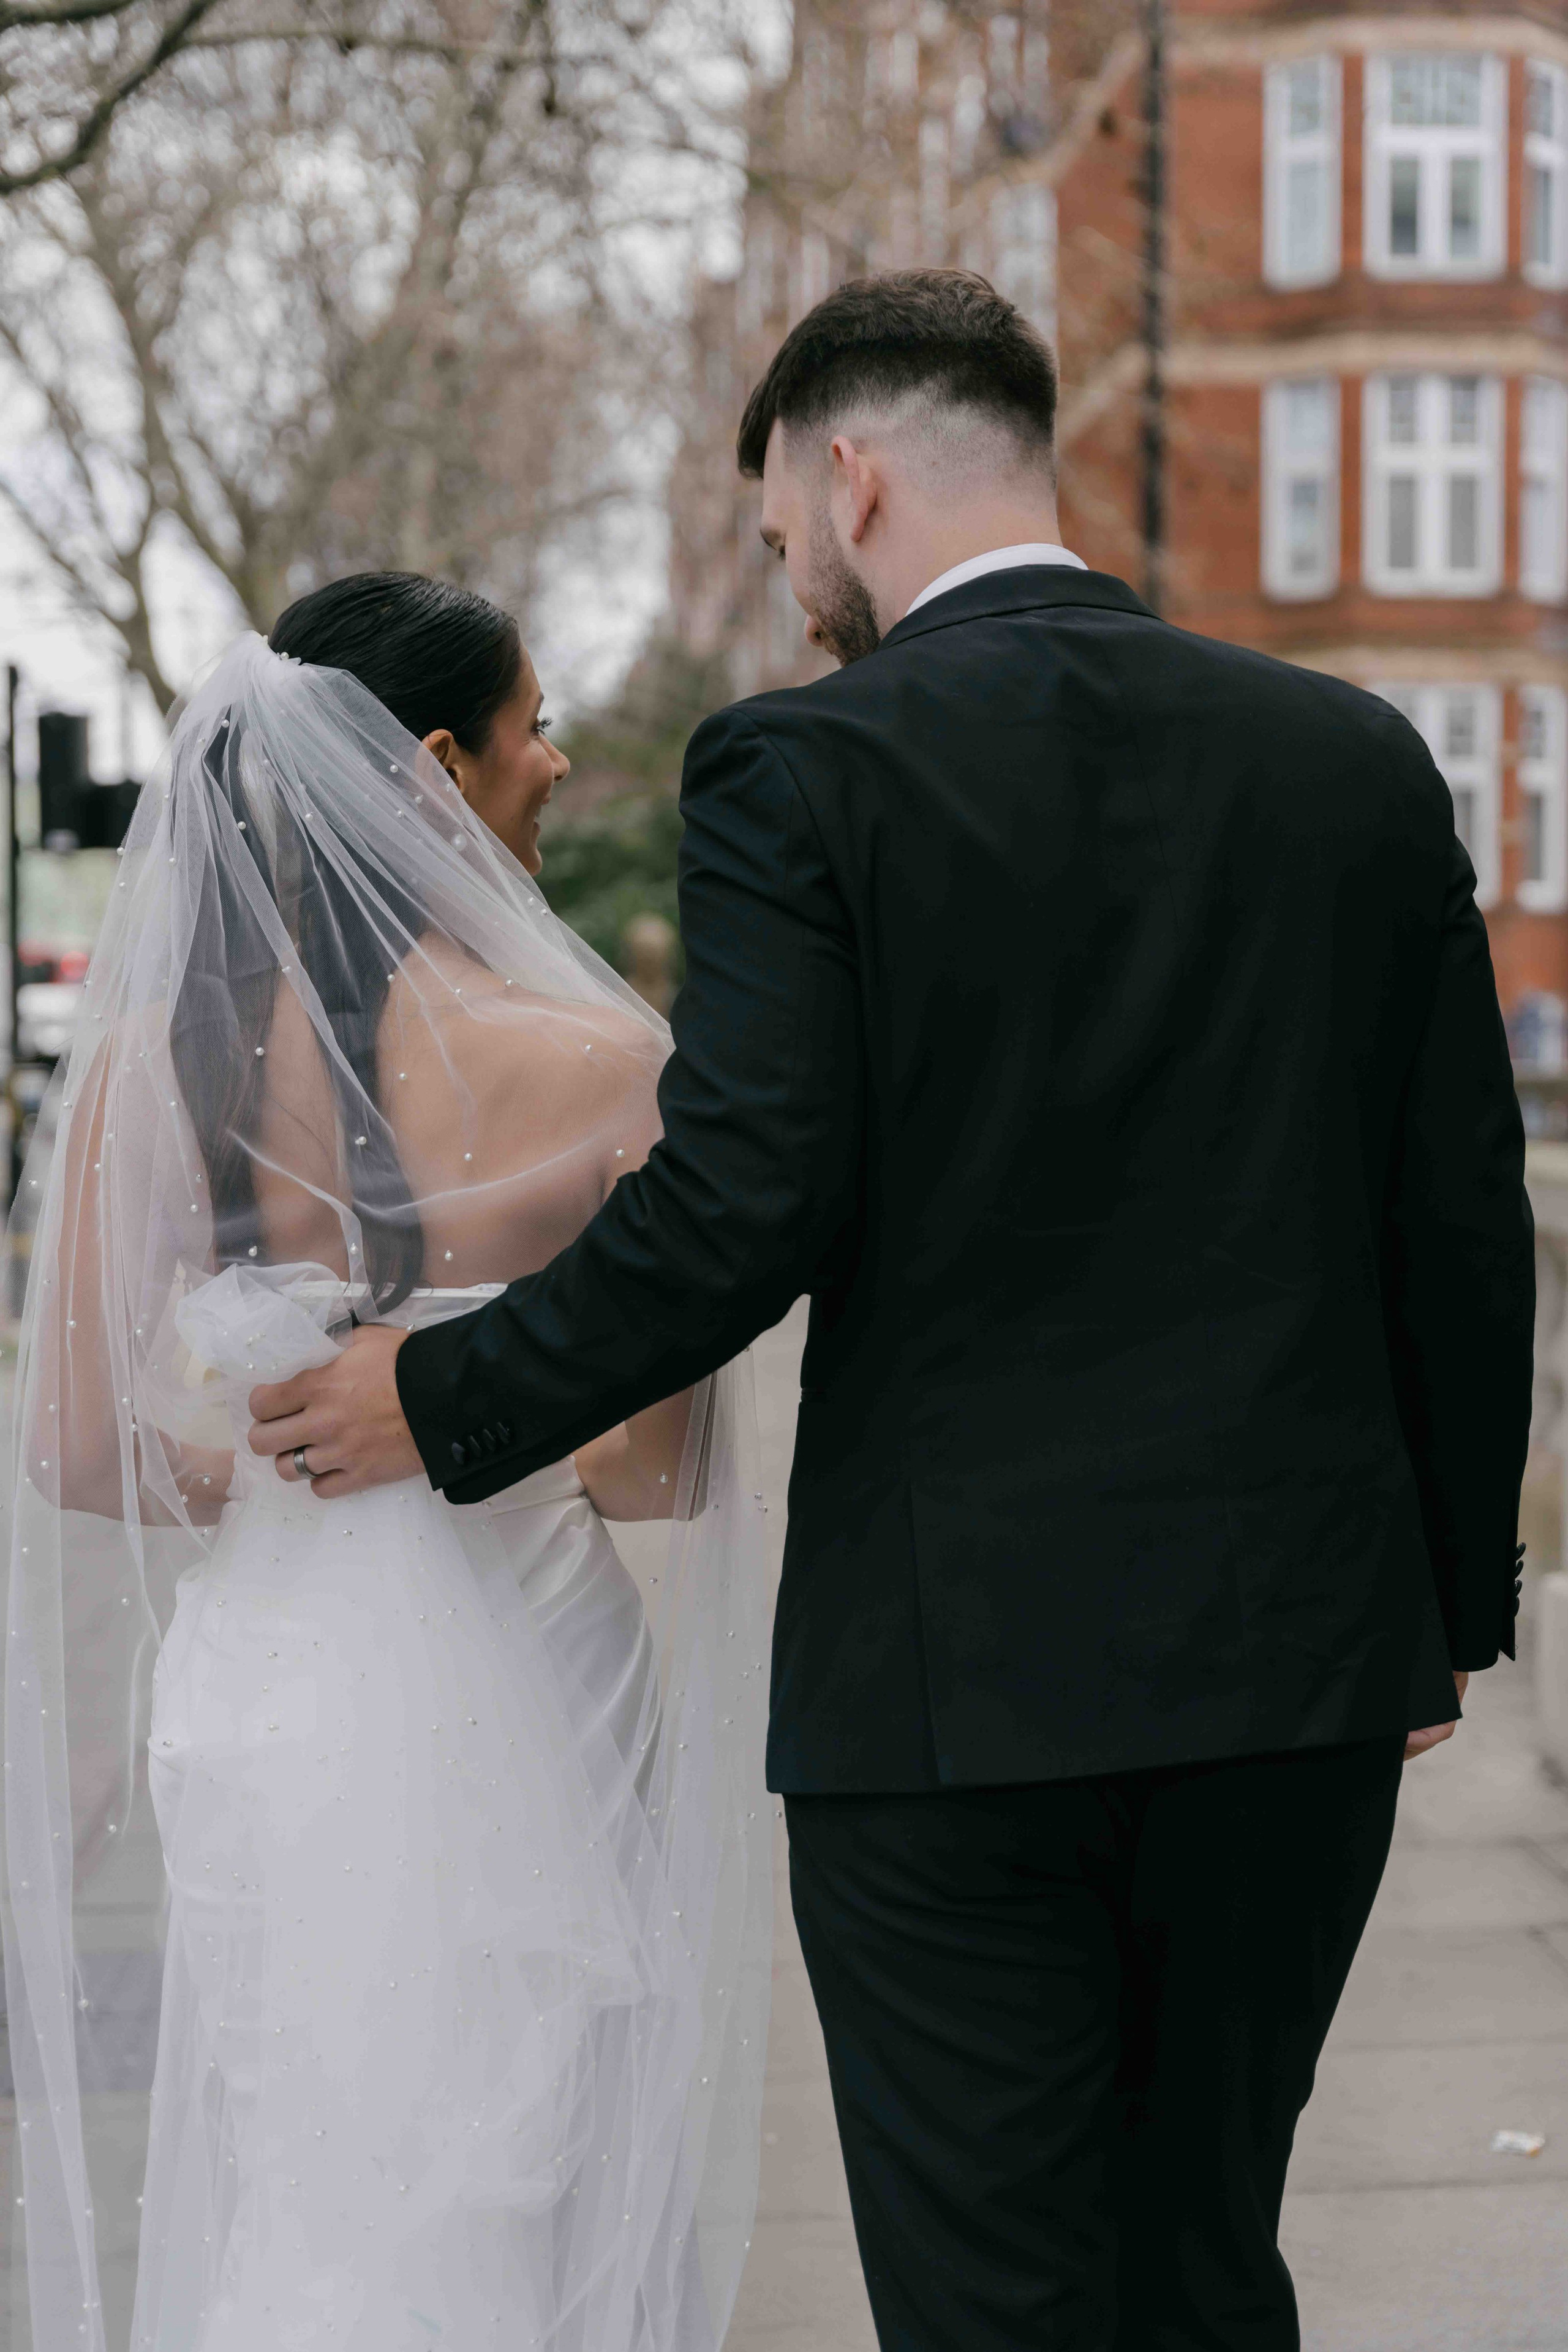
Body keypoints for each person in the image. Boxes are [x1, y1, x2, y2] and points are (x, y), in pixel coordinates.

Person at [250, 272, 1536, 2351]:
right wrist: (1444, 1608)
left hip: (958, 1700)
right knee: (1204, 2260)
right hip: (1299, 1671)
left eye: (777, 542)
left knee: (993, 2297)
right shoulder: (1354, 757)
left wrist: (445, 1394)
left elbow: (743, 1206)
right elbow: (1466, 1224)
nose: (789, 596)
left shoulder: (802, 772)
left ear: (848, 478)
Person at [1, 576, 772, 2351]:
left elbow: (67, 1444)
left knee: (307, 2168)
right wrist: (475, 1424)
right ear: (437, 767)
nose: (564, 759)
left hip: (274, 1683)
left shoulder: (151, 1066)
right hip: (533, 1674)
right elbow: (656, 1480)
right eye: (536, 725)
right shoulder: (607, 1068)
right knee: (534, 2161)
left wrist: (268, 1468)